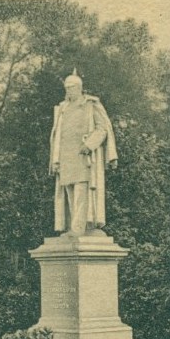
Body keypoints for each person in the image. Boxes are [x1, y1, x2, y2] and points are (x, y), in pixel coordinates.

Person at [48, 70, 118, 234]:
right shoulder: (62, 109)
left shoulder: (91, 105)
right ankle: (74, 226)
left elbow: (103, 128)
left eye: (71, 87)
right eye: (66, 88)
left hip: (84, 157)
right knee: (69, 192)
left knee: (82, 190)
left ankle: (79, 227)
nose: (68, 91)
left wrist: (90, 144)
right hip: (66, 157)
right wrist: (55, 159)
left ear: (79, 88)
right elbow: (57, 135)